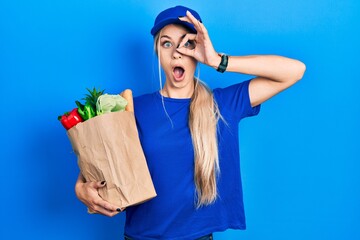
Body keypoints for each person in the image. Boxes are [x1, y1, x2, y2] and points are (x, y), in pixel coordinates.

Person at [74, 5, 306, 240]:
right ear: (157, 52)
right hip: (139, 236)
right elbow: (102, 163)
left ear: (199, 49)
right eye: (167, 43)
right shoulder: (133, 108)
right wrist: (80, 189)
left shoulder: (223, 105)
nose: (176, 52)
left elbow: (294, 71)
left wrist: (217, 60)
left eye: (187, 43)